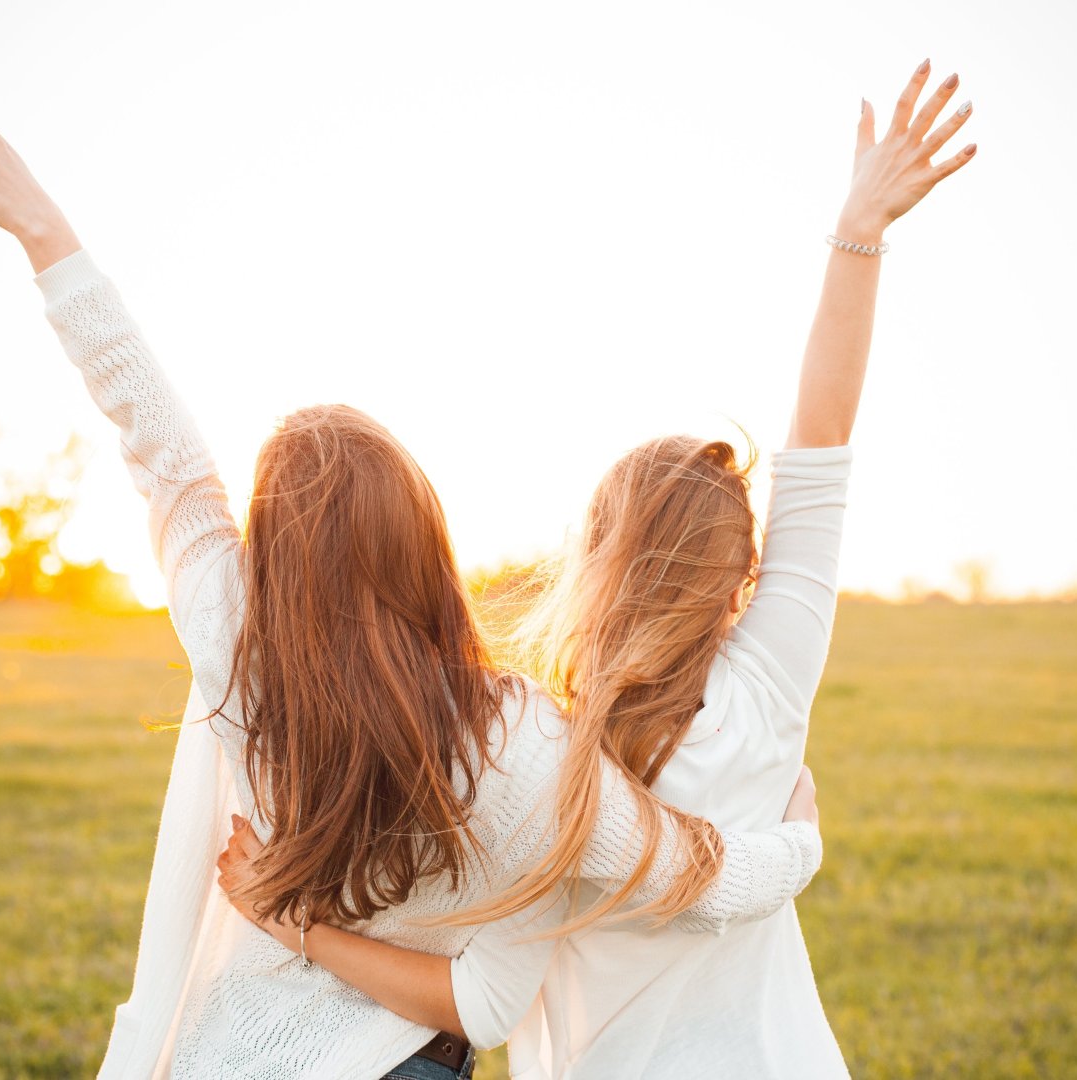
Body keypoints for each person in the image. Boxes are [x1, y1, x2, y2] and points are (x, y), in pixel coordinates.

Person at [0, 74, 828, 1080]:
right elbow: (693, 875)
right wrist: (798, 851)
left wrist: (44, 232)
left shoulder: (236, 641)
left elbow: (157, 443)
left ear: (273, 559)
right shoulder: (518, 744)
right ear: (428, 545)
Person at [215, 56, 977, 1078]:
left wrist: (295, 920)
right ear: (742, 583)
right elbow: (823, 434)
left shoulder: (540, 756)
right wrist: (859, 233)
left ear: (592, 560)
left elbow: (480, 995)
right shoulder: (765, 693)